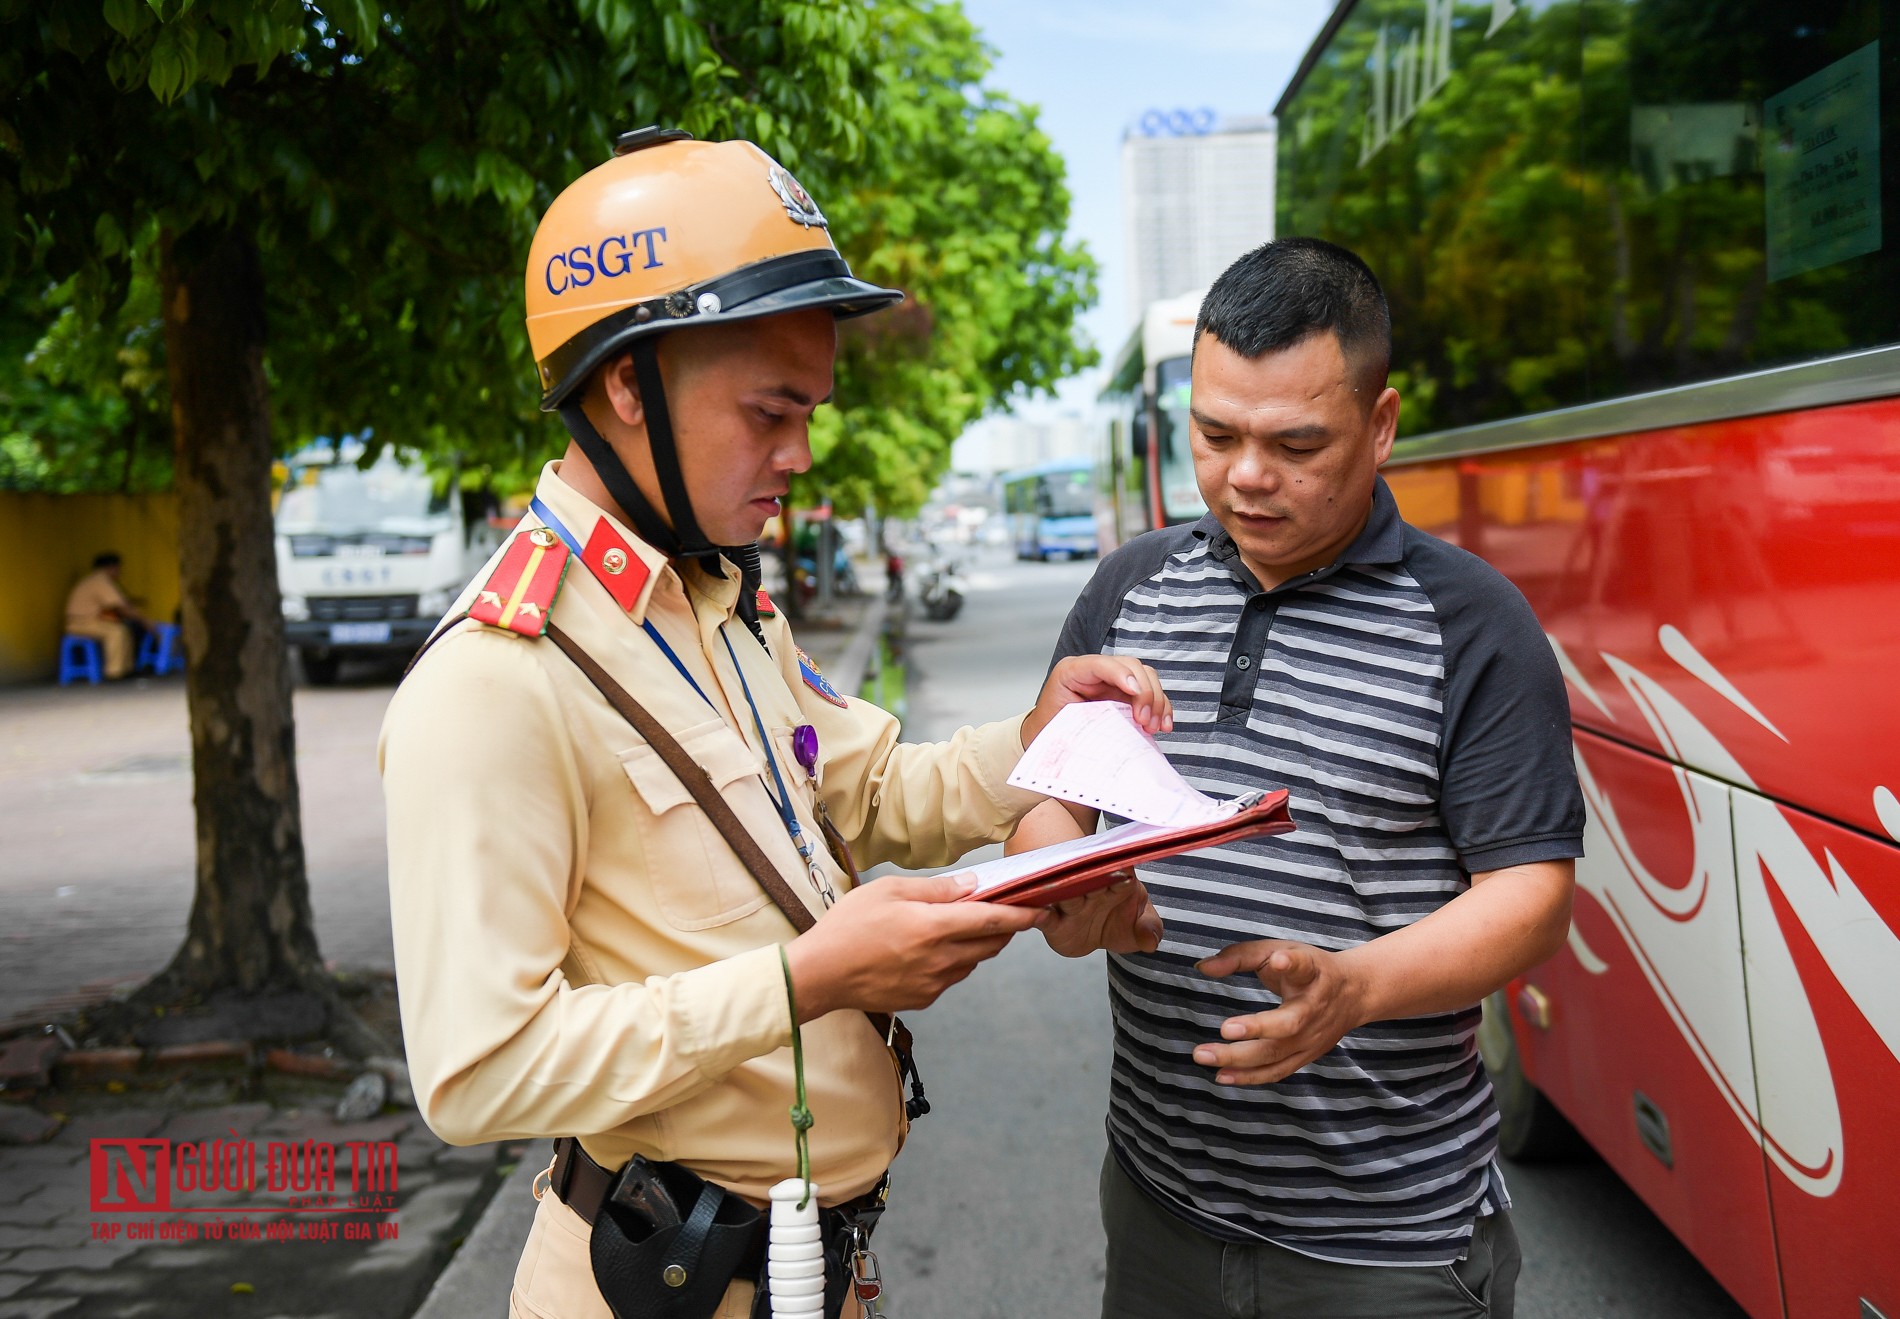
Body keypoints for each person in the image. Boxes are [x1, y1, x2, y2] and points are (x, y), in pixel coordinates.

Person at [378, 129, 1171, 1319]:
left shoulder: (724, 603)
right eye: (768, 411)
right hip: (656, 1281)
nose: (800, 454)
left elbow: (878, 788)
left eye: (811, 409)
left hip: (810, 1269)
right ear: (622, 385)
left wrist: (1037, 734)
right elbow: (478, 1068)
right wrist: (806, 978)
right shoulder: (499, 676)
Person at [1013, 237, 1584, 1319]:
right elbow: (1050, 803)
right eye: (1214, 434)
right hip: (1155, 1201)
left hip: (1385, 1243)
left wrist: (1354, 989)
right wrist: (1057, 891)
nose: (1244, 476)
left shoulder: (1471, 624)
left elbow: (1531, 895)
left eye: (1294, 443)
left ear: (1380, 425)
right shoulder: (1129, 587)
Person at [64, 551, 148, 679]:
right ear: (111, 567)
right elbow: (119, 606)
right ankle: (114, 672)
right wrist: (144, 620)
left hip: (88, 621)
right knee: (116, 632)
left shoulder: (95, 580)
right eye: (118, 568)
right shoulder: (100, 580)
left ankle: (126, 669)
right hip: (80, 623)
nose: (119, 572)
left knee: (123, 629)